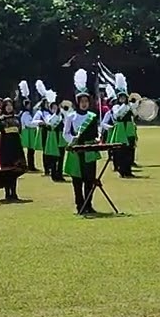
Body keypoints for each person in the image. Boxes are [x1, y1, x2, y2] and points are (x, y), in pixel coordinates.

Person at [63, 69, 101, 215]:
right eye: (82, 101)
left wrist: (97, 138)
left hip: (90, 150)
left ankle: (89, 205)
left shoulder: (92, 116)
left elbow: (96, 132)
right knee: (77, 181)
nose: (84, 104)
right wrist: (72, 140)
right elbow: (65, 133)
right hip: (76, 151)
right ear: (77, 102)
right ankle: (80, 205)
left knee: (89, 180)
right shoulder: (70, 116)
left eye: (86, 101)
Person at [0, 97, 27, 201]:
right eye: (7, 105)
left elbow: (19, 131)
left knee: (15, 171)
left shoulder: (17, 118)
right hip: (5, 148)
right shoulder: (0, 120)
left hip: (16, 147)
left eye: (10, 105)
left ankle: (14, 193)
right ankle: (7, 194)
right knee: (7, 171)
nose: (9, 107)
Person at [105, 74, 138, 178]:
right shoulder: (116, 106)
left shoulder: (129, 106)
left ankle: (128, 170)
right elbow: (117, 114)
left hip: (129, 129)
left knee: (129, 151)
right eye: (121, 97)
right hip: (120, 130)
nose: (123, 99)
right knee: (121, 151)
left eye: (124, 97)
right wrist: (126, 105)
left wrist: (134, 105)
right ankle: (121, 170)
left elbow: (135, 114)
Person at [43, 98, 68, 182]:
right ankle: (54, 174)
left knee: (61, 157)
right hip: (53, 139)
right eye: (53, 108)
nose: (55, 109)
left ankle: (60, 174)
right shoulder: (48, 115)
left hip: (61, 138)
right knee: (54, 158)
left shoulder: (62, 115)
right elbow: (50, 122)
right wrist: (56, 115)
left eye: (56, 107)